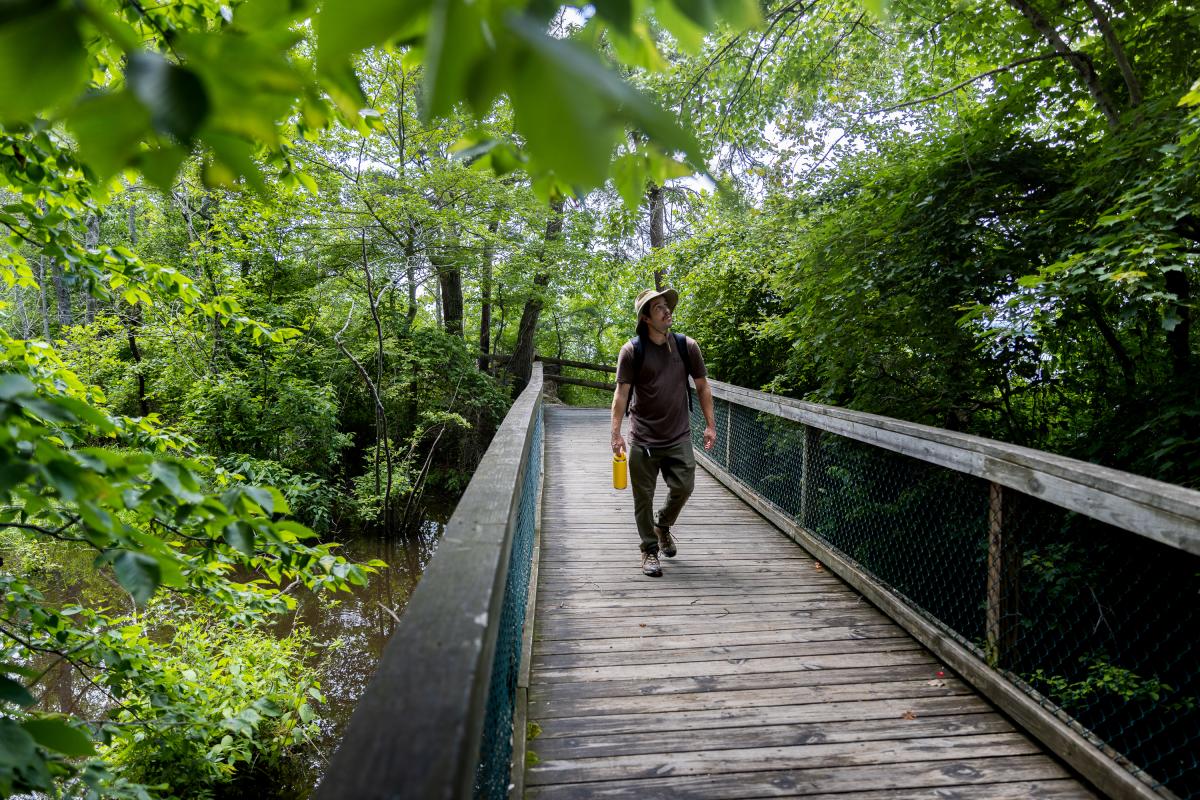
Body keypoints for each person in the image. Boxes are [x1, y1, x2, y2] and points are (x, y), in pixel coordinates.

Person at [610, 287, 717, 577]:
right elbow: (621, 394)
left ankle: (663, 526)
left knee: (684, 486)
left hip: (678, 435)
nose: (667, 310)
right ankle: (648, 551)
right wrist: (616, 433)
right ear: (646, 318)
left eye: (666, 305)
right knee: (642, 498)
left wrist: (710, 425)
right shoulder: (632, 351)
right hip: (644, 438)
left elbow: (703, 386)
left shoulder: (687, 346)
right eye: (658, 307)